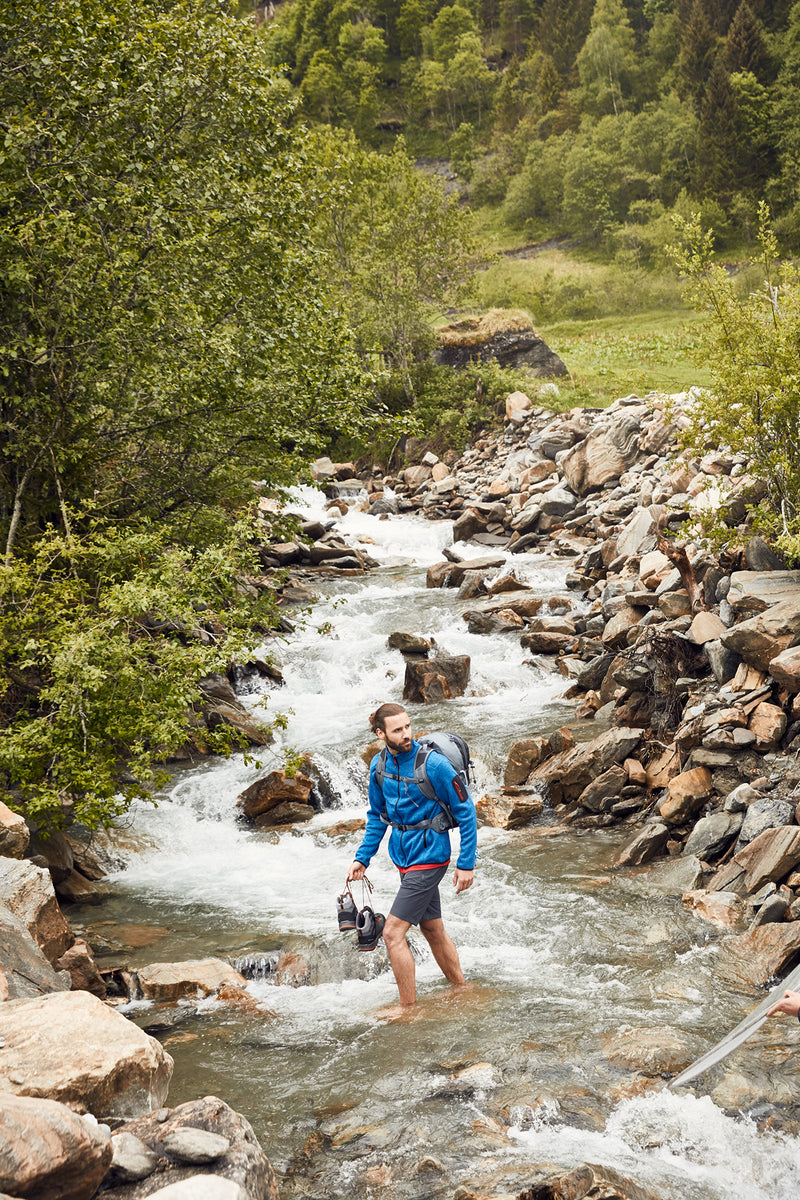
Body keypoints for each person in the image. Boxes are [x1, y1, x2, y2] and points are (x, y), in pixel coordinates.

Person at [347, 702, 477, 1009]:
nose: (406, 734)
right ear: (381, 733)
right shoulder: (378, 766)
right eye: (397, 730)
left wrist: (466, 863)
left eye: (407, 726)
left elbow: (466, 811)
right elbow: (377, 815)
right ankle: (462, 987)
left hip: (431, 856)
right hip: (403, 857)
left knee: (392, 933)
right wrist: (362, 858)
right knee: (432, 928)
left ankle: (408, 1009)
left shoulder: (433, 765)